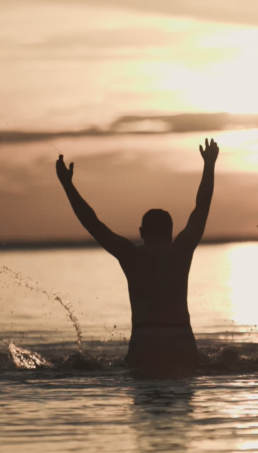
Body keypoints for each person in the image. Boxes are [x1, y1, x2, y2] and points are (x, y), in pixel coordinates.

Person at [56, 138, 220, 369]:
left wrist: (67, 185)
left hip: (145, 341)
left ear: (141, 232)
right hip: (180, 339)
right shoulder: (181, 249)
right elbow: (202, 206)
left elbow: (91, 222)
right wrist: (210, 164)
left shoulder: (130, 255)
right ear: (172, 232)